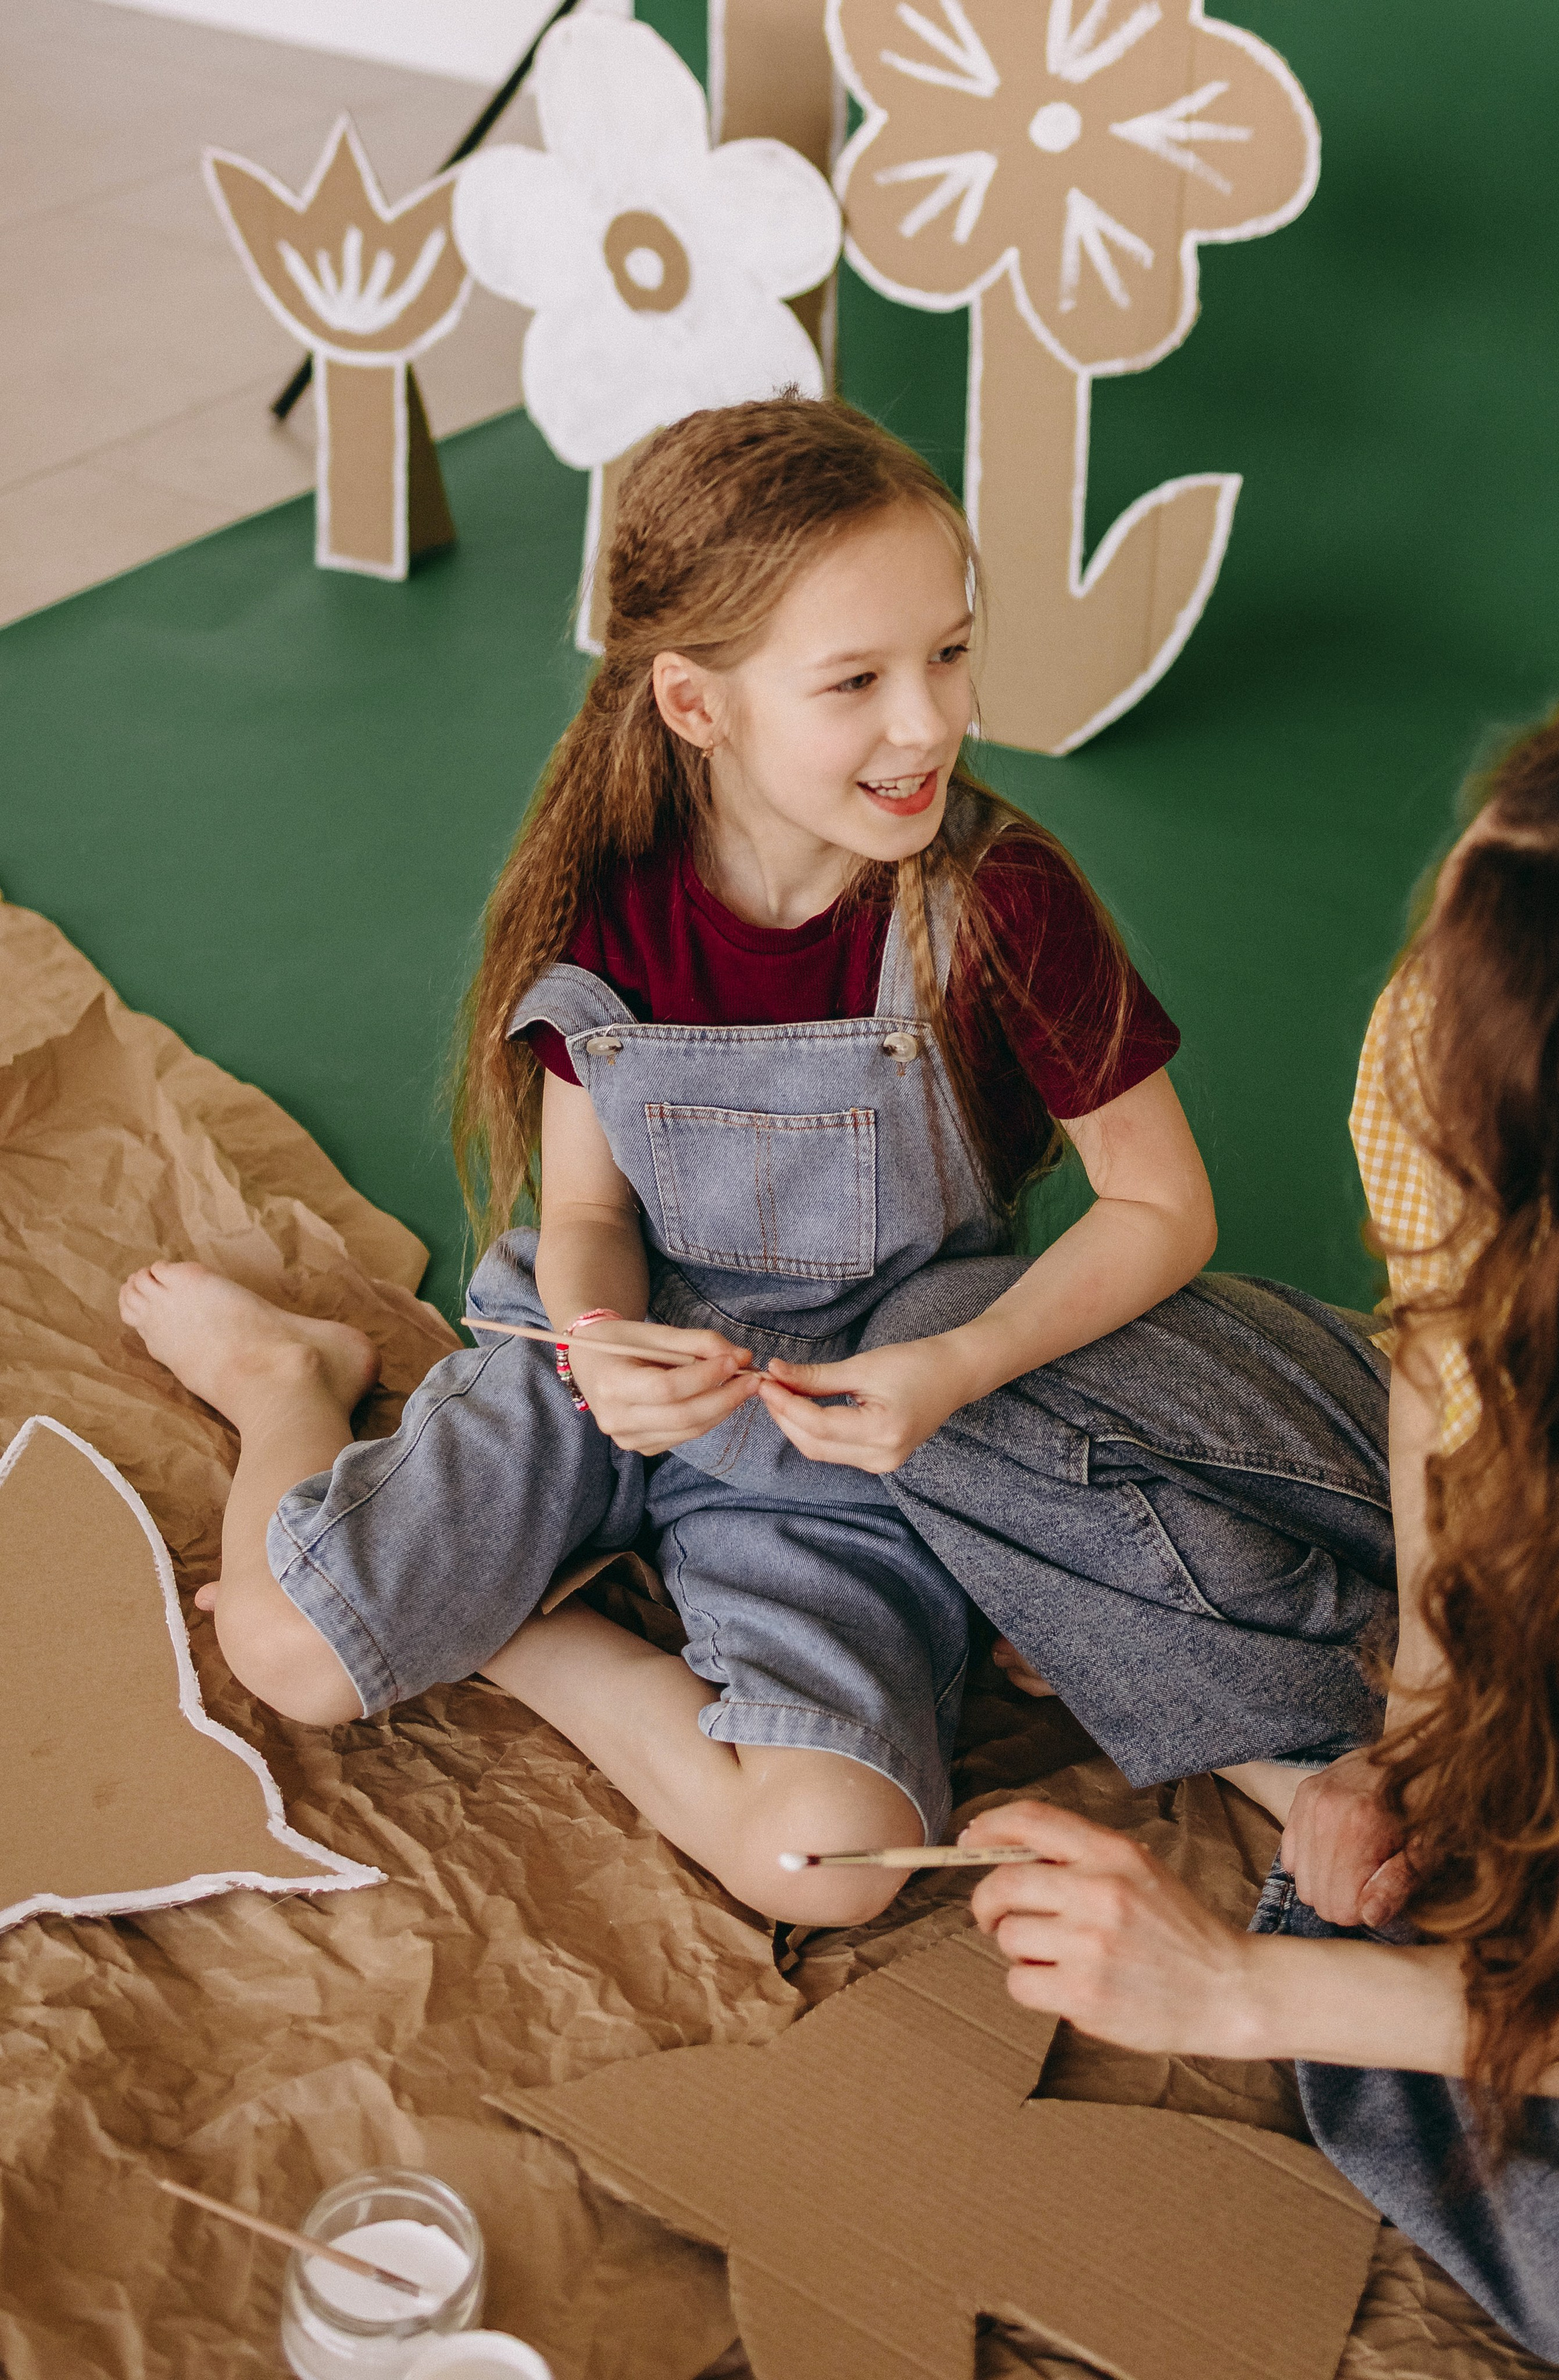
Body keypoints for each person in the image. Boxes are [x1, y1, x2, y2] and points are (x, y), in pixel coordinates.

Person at [116, 393, 1217, 1926]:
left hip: (858, 1430)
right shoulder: (607, 896)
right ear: (695, 704)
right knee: (287, 1652)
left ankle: (509, 1625)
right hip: (606, 1369)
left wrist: (956, 1368)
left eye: (949, 652)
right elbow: (583, 1207)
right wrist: (597, 1340)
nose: (929, 722)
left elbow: (1163, 1207)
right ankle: (287, 1385)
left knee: (823, 1866)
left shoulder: (997, 900)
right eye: (856, 680)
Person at [941, 676, 1559, 2379]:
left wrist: (1234, 1993)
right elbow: (1432, 1367)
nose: (1419, 999)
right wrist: (1419, 1723)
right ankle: (1384, 1870)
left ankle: (1378, 1935)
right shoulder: (1445, 1024)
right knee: (951, 1372)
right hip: (1530, 1561)